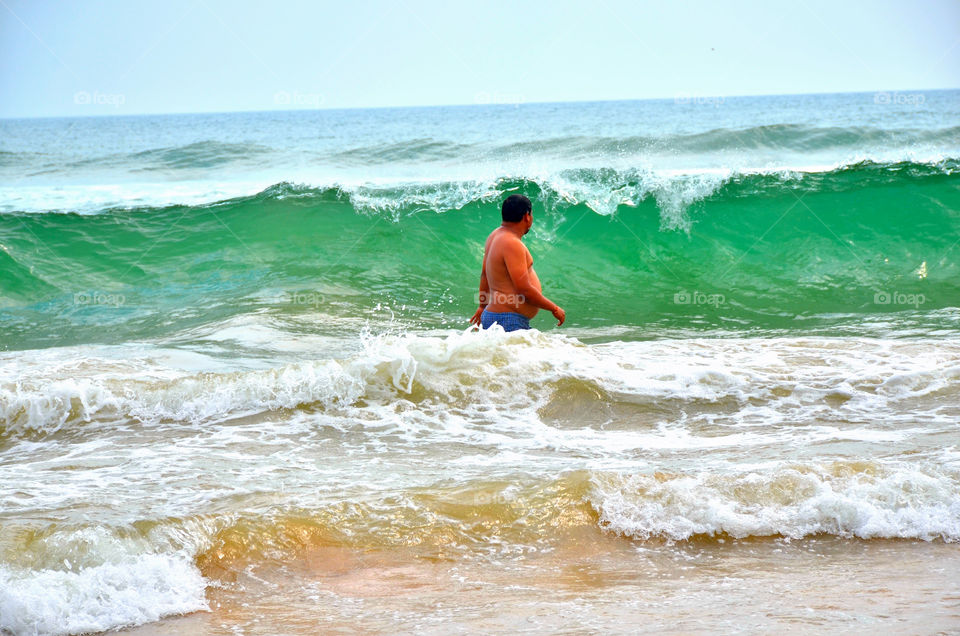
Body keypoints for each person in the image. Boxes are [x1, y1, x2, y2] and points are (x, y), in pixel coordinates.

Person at [470, 194, 565, 331]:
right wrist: (554, 308)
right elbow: (524, 289)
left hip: (494, 316)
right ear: (527, 216)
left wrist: (482, 306)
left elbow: (485, 274)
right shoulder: (512, 243)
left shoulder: (494, 236)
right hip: (509, 320)